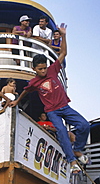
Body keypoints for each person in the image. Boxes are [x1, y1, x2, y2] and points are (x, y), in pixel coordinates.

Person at [10, 24, 90, 174]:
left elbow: (64, 53)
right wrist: (16, 101)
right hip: (52, 111)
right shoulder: (34, 82)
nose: (43, 71)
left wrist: (64, 35)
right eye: (40, 69)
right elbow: (25, 92)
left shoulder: (52, 69)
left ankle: (78, 150)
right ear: (34, 69)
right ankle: (72, 161)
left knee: (84, 125)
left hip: (65, 107)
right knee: (60, 130)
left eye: (44, 68)